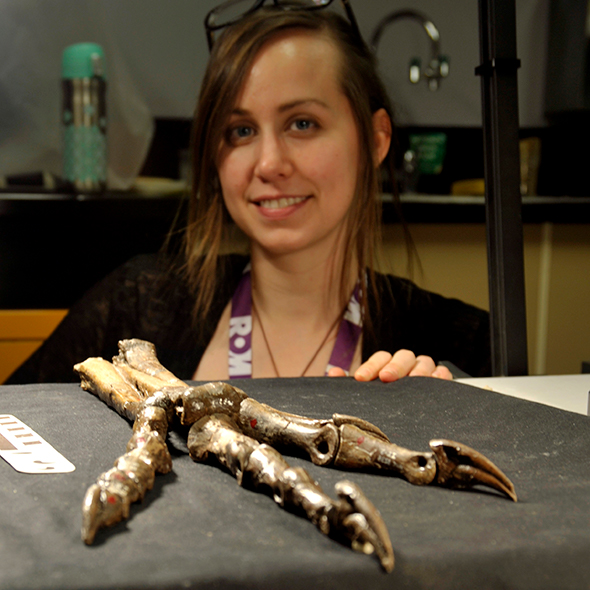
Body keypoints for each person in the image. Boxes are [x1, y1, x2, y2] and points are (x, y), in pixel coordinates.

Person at [6, 0, 490, 385]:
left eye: (302, 123)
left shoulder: (459, 345)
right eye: (240, 131)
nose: (269, 163)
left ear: (375, 140)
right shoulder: (136, 308)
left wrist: (450, 419)